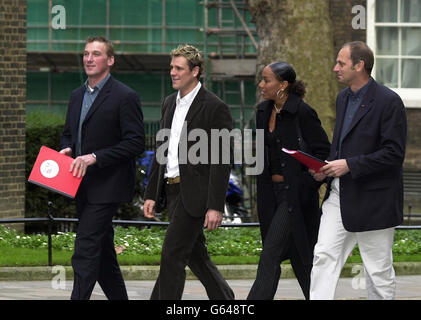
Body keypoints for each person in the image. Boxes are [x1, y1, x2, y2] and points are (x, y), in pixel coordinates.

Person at [309, 41, 407, 300]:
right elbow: (342, 146)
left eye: (341, 63)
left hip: (374, 199)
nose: (335, 68)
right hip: (339, 195)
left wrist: (350, 165)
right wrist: (326, 168)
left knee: (378, 270)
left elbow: (394, 154)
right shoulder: (343, 98)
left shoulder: (389, 102)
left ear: (359, 65)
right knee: (323, 256)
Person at [143, 44, 235, 300]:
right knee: (195, 257)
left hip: (195, 195)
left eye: (178, 68)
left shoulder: (215, 107)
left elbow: (221, 160)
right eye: (171, 67)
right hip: (172, 191)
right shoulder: (168, 103)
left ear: (195, 71)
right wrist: (152, 194)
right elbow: (162, 151)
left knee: (172, 254)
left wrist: (215, 206)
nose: (172, 72)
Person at [60, 36, 145, 300]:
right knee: (104, 253)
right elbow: (68, 134)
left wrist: (95, 157)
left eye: (96, 54)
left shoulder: (125, 96)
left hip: (108, 185)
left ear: (110, 60)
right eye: (86, 53)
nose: (88, 58)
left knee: (85, 248)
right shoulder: (76, 96)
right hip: (80, 184)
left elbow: (136, 142)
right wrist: (68, 149)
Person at [247, 62, 331, 300]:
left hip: (294, 195)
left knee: (271, 253)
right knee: (300, 258)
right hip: (269, 195)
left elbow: (324, 153)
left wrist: (306, 185)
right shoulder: (263, 111)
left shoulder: (303, 112)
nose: (261, 85)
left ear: (283, 85)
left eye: (266, 80)